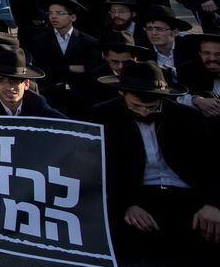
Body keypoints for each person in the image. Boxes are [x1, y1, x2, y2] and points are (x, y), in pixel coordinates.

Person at [93, 60, 220, 253]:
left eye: (152, 106)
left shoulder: (188, 117)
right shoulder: (103, 114)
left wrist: (213, 204)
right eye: (136, 106)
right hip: (139, 193)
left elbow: (214, 164)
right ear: (121, 93)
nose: (144, 112)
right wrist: (127, 205)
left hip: (188, 194)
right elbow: (100, 168)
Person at [26, 0, 100, 118]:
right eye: (50, 13)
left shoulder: (89, 42)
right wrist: (69, 68)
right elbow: (39, 71)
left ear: (73, 17)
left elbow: (90, 71)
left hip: (80, 99)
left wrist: (56, 69)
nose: (54, 16)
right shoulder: (39, 41)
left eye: (59, 13)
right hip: (49, 95)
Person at [0, 44, 65, 118]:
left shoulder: (37, 103)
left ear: (26, 84)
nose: (8, 87)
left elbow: (65, 125)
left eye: (14, 81)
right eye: (0, 81)